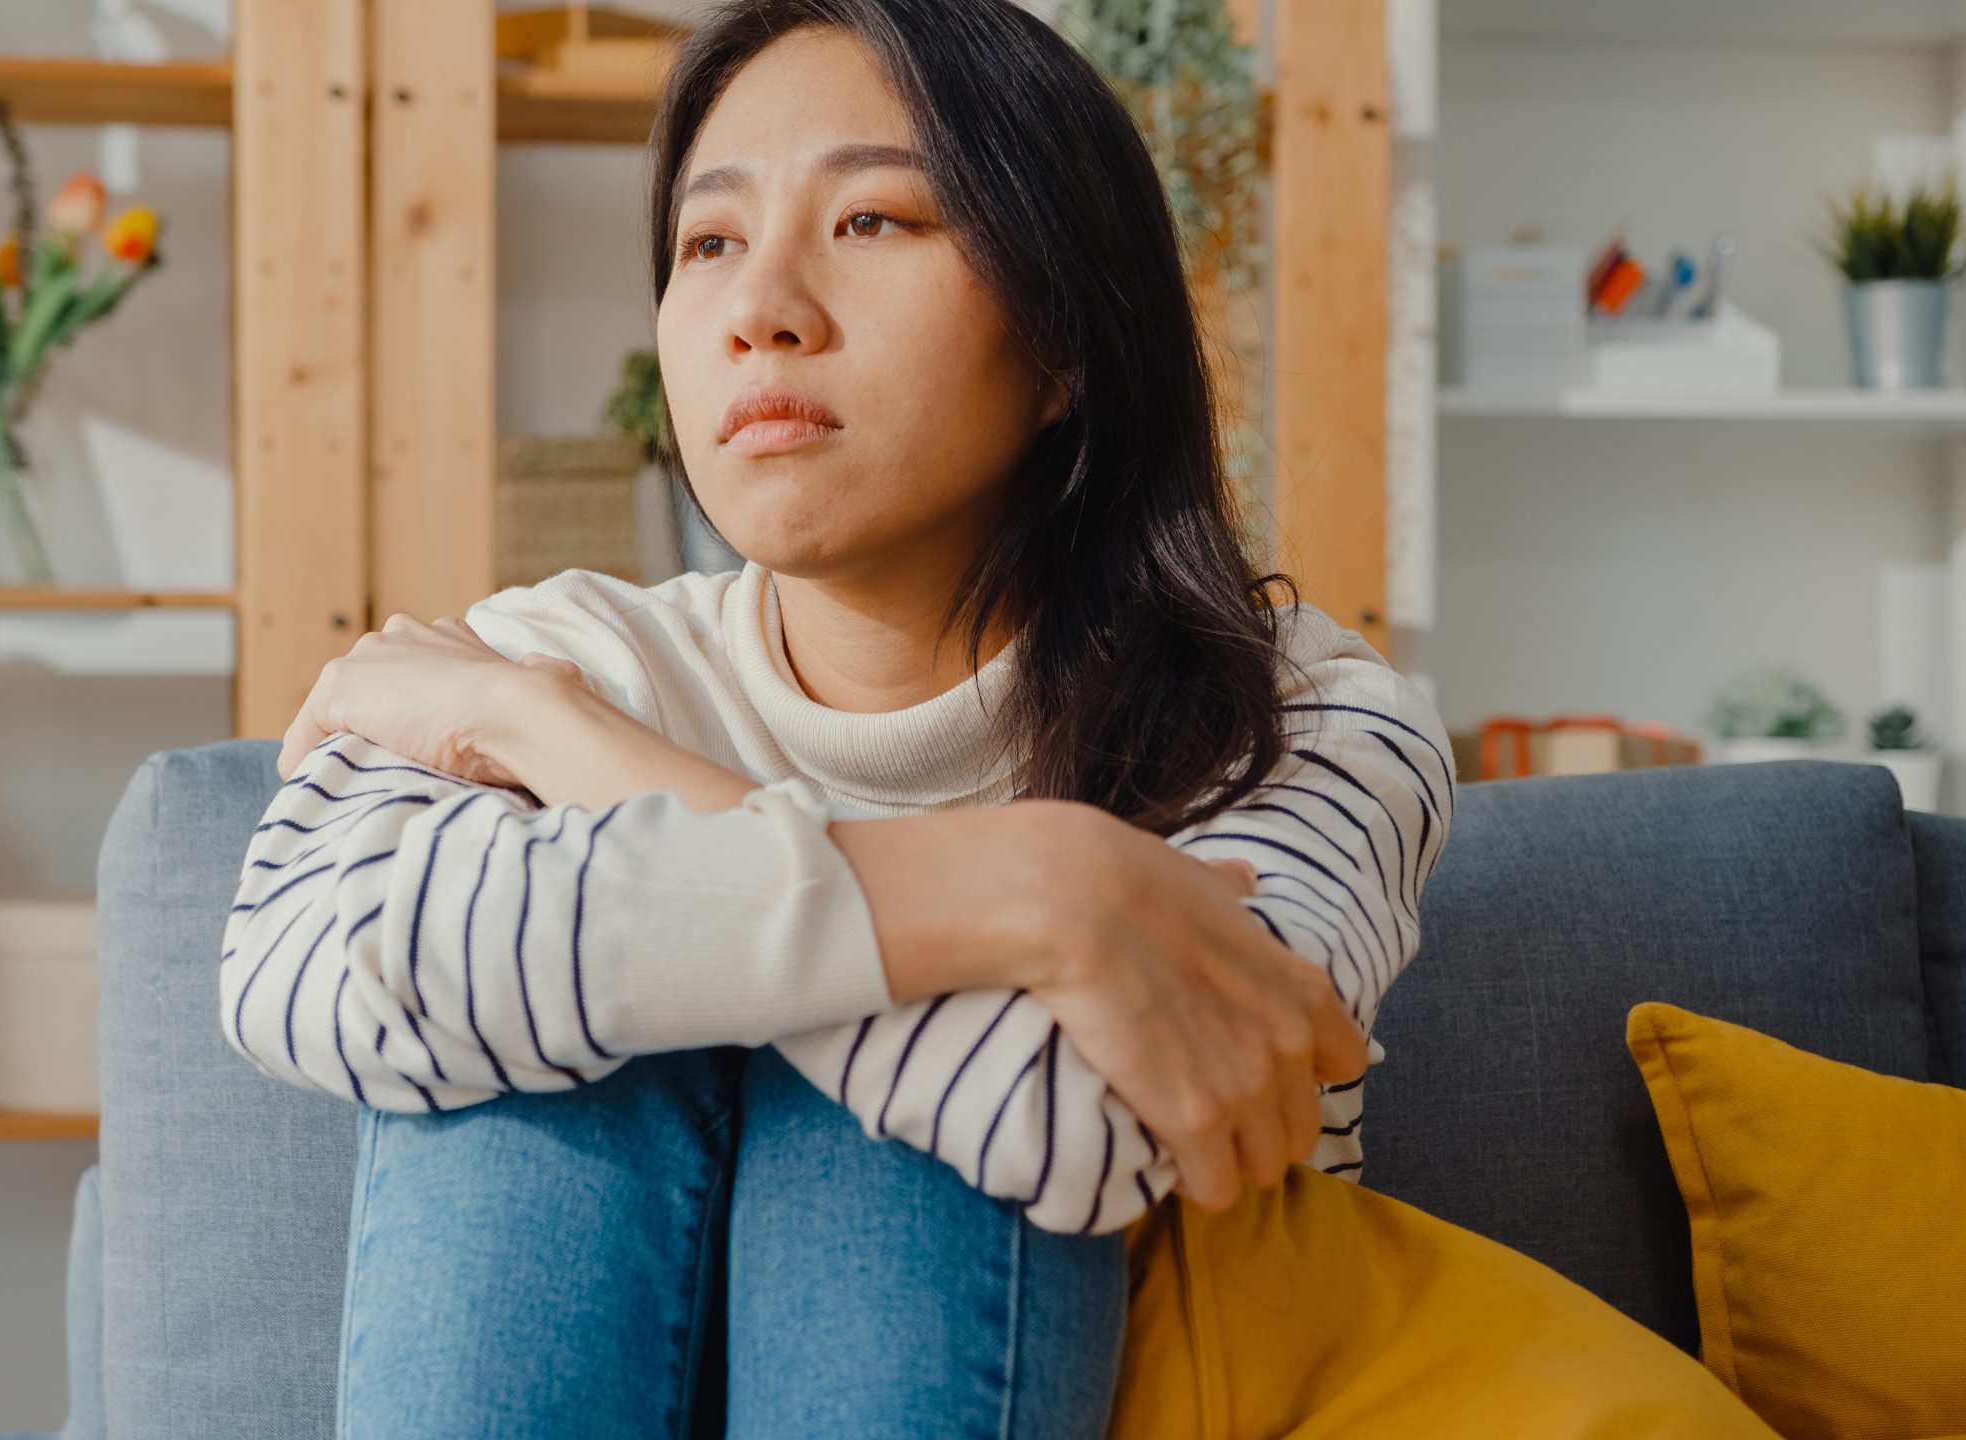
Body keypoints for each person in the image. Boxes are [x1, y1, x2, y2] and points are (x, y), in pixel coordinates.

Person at [218, 3, 1774, 1436]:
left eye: (873, 219)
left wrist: (581, 761)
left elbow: (1065, 1123)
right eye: (706, 243)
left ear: (1065, 340)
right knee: (517, 1068)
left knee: (852, 1116)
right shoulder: (567, 652)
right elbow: (298, 962)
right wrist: (1031, 895)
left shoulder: (1301, 715)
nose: (759, 309)